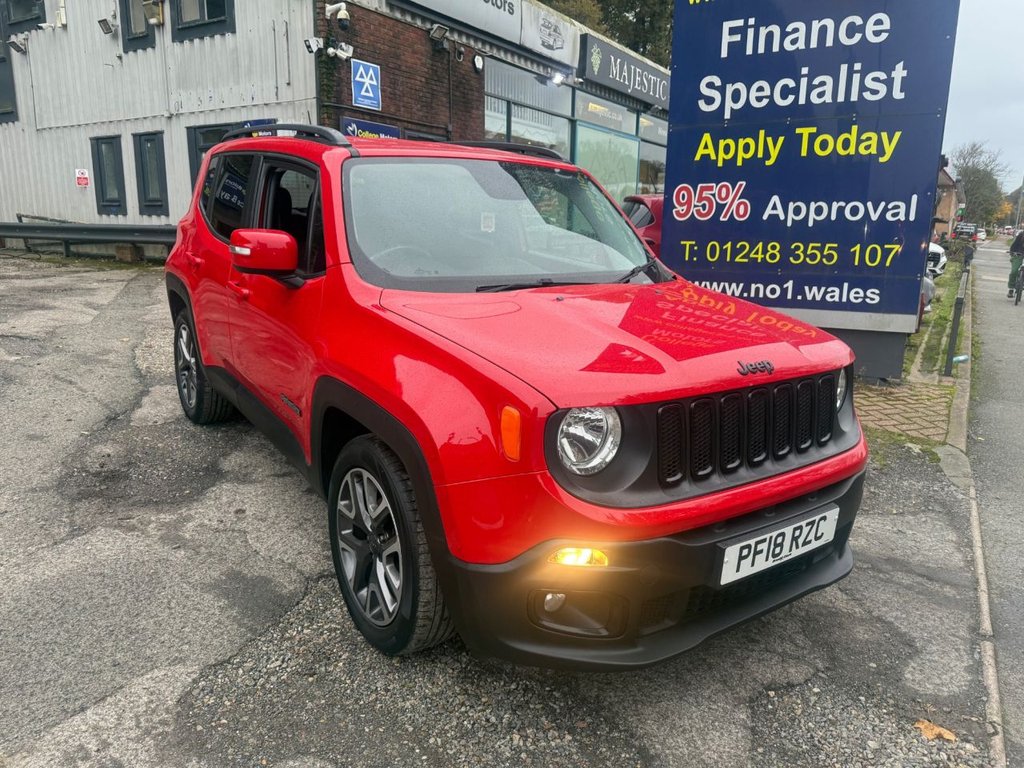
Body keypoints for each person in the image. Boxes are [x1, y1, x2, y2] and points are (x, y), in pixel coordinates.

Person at [1010, 229, 1024, 298]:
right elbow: (1015, 244)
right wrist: (1012, 252)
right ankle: (1011, 289)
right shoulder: (1021, 234)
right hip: (1019, 255)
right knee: (1014, 271)